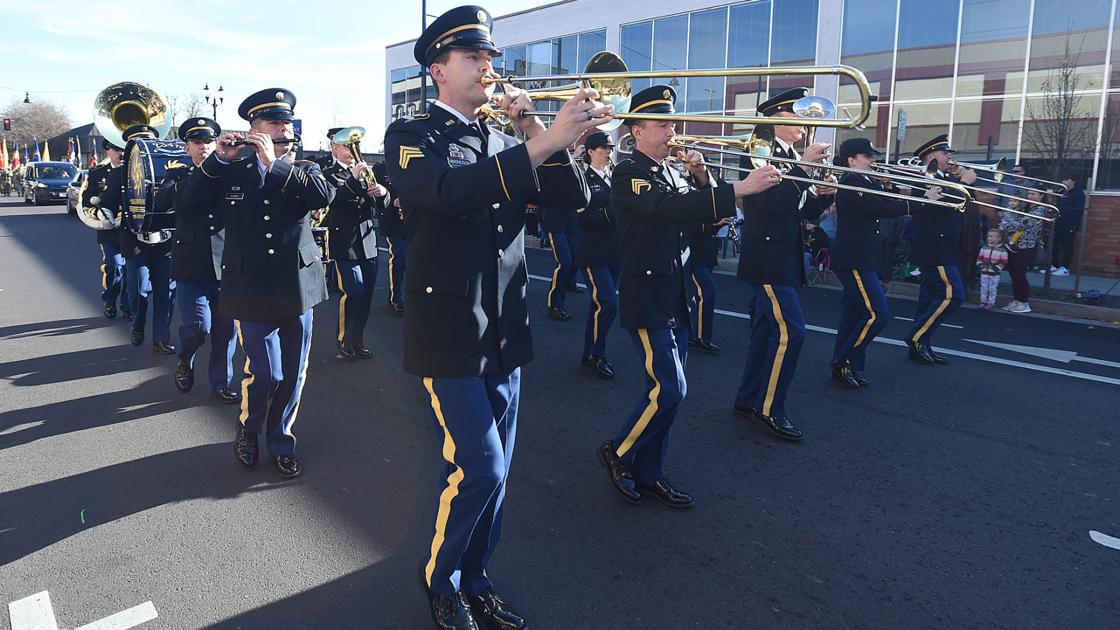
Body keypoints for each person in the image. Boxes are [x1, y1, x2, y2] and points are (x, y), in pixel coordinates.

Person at [383, 6, 603, 628]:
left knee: (498, 474)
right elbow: (449, 194)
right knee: (479, 466)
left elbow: (573, 199)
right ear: (437, 71)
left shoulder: (508, 138)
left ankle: (477, 577)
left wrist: (538, 127)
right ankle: (441, 580)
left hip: (505, 331)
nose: (488, 67)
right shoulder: (411, 137)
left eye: (490, 58)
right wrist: (545, 141)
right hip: (448, 333)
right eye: (473, 58)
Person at [599, 85, 780, 509]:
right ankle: (618, 451)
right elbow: (666, 209)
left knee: (664, 394)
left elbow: (696, 225)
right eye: (661, 125)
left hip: (676, 295)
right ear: (635, 131)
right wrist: (735, 190)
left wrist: (703, 178)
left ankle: (649, 472)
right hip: (648, 294)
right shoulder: (630, 173)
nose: (670, 131)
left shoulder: (673, 173)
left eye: (671, 123)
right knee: (669, 390)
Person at [185, 87, 334, 478]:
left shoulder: (307, 169)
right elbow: (190, 201)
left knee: (294, 373)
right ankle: (248, 429)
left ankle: (281, 439)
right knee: (266, 373)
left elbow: (323, 196)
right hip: (248, 286)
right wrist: (218, 158)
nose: (282, 127)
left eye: (286, 122)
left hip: (296, 288)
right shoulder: (230, 169)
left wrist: (276, 163)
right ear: (254, 129)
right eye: (273, 122)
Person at [732, 88, 835, 441]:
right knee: (793, 333)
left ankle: (747, 399)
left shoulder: (791, 156)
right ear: (777, 118)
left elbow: (802, 213)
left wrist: (822, 195)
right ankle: (769, 409)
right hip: (768, 257)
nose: (805, 123)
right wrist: (803, 167)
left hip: (783, 254)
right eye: (798, 115)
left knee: (764, 332)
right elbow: (767, 205)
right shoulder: (760, 151)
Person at [828, 138, 920, 388]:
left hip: (861, 257)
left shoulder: (864, 181)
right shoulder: (852, 181)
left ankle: (846, 364)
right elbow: (880, 208)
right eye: (867, 157)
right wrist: (919, 201)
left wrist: (892, 187)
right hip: (855, 259)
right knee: (876, 314)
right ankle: (844, 361)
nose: (872, 161)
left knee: (853, 315)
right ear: (851, 160)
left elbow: (882, 202)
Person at [165, 117, 240, 404]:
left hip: (227, 263)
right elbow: (173, 202)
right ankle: (185, 357)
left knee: (226, 330)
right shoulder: (178, 175)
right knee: (199, 326)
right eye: (197, 143)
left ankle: (221, 382)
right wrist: (212, 166)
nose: (203, 147)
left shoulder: (231, 173)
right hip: (191, 264)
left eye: (208, 142)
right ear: (187, 148)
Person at [905, 133, 976, 365]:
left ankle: (921, 344)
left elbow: (964, 204)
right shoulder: (929, 175)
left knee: (929, 299)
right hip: (935, 248)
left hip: (943, 247)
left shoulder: (944, 177)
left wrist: (962, 184)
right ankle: (916, 337)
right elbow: (948, 201)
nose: (949, 157)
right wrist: (964, 183)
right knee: (953, 294)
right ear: (932, 155)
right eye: (945, 153)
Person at [322, 127, 388, 360]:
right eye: (347, 146)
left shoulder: (366, 171)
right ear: (335, 148)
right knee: (354, 291)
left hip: (367, 242)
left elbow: (380, 207)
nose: (353, 151)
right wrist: (353, 179)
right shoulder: (328, 174)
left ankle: (357, 340)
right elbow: (334, 201)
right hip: (344, 242)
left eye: (355, 146)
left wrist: (383, 193)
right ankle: (344, 339)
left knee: (367, 294)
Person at [118, 125, 177, 354]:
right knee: (138, 291)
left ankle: (161, 338)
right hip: (136, 242)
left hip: (165, 244)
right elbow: (106, 200)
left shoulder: (172, 171)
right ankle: (138, 325)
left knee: (166, 293)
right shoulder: (119, 174)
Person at [576, 131, 620, 379]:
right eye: (603, 147)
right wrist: (614, 210)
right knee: (607, 303)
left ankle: (588, 352)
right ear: (591, 151)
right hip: (594, 252)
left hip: (615, 251)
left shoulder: (614, 178)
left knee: (599, 304)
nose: (609, 151)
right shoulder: (583, 179)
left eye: (610, 147)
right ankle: (596, 354)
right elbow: (583, 219)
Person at [79, 139, 133, 321]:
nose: (122, 153)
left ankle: (128, 305)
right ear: (108, 151)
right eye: (117, 149)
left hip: (133, 229)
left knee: (131, 271)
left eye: (125, 149)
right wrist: (100, 215)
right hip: (110, 230)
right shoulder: (97, 174)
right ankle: (110, 299)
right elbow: (86, 202)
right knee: (115, 266)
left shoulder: (137, 170)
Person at [1000, 188, 1048, 314]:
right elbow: (1009, 226)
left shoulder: (1039, 209)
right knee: (1013, 273)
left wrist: (1007, 216)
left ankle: (1024, 302)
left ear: (1041, 195)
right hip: (1014, 245)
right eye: (1029, 194)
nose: (1030, 196)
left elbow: (1021, 225)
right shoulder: (1024, 207)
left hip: (1026, 246)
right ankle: (1016, 300)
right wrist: (1009, 221)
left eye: (1033, 194)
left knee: (1020, 274)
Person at [542, 194, 583, 321]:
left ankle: (570, 282)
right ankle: (555, 305)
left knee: (576, 257)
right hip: (555, 220)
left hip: (571, 220)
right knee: (564, 262)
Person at [375, 161, 407, 315]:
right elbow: (374, 194)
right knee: (399, 257)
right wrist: (392, 199)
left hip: (413, 221)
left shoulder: (416, 162)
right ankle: (396, 298)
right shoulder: (380, 168)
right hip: (392, 222)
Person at [1051, 174, 1085, 276]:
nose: (1064, 182)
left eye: (1066, 179)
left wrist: (1074, 225)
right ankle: (1054, 265)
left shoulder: (1078, 193)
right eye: (1063, 179)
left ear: (1073, 181)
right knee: (1053, 244)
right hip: (1058, 222)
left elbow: (1079, 211)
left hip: (1069, 224)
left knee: (1067, 246)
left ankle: (1065, 267)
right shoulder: (1062, 191)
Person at [976, 227, 1009, 311]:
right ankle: (983, 302)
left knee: (992, 288)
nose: (989, 238)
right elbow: (979, 258)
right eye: (988, 236)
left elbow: (1004, 262)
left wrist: (996, 268)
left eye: (992, 236)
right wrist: (981, 265)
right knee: (984, 287)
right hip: (984, 272)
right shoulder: (984, 248)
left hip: (994, 273)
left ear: (999, 238)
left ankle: (991, 303)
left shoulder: (1002, 250)